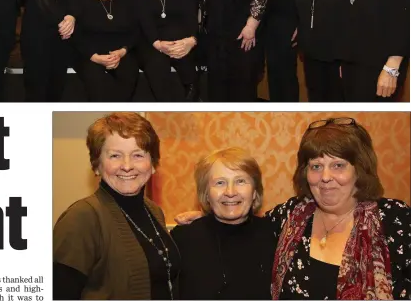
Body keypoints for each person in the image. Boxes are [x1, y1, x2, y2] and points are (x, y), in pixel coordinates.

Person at [267, 117, 411, 299]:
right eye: (316, 166)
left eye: (338, 165)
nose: (325, 177)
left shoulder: (397, 219)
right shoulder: (288, 214)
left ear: (359, 169)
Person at [54, 112, 179, 299]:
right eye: (115, 156)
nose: (127, 166)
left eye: (138, 155)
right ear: (97, 165)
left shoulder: (154, 211)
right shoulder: (81, 218)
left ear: (153, 164)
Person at [170, 147, 276, 299]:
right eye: (220, 183)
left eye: (240, 181)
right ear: (206, 193)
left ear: (254, 191)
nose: (230, 192)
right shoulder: (182, 241)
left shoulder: (274, 236)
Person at [133, 0, 198, 101]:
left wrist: (191, 40)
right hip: (152, 42)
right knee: (156, 64)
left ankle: (192, 98)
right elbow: (144, 21)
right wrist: (158, 44)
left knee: (185, 55)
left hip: (182, 39)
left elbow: (191, 15)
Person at [72, 0, 139, 101]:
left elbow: (134, 31)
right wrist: (95, 57)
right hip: (89, 54)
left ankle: (119, 118)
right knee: (97, 83)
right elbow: (75, 35)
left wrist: (122, 51)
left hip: (118, 53)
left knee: (130, 73)